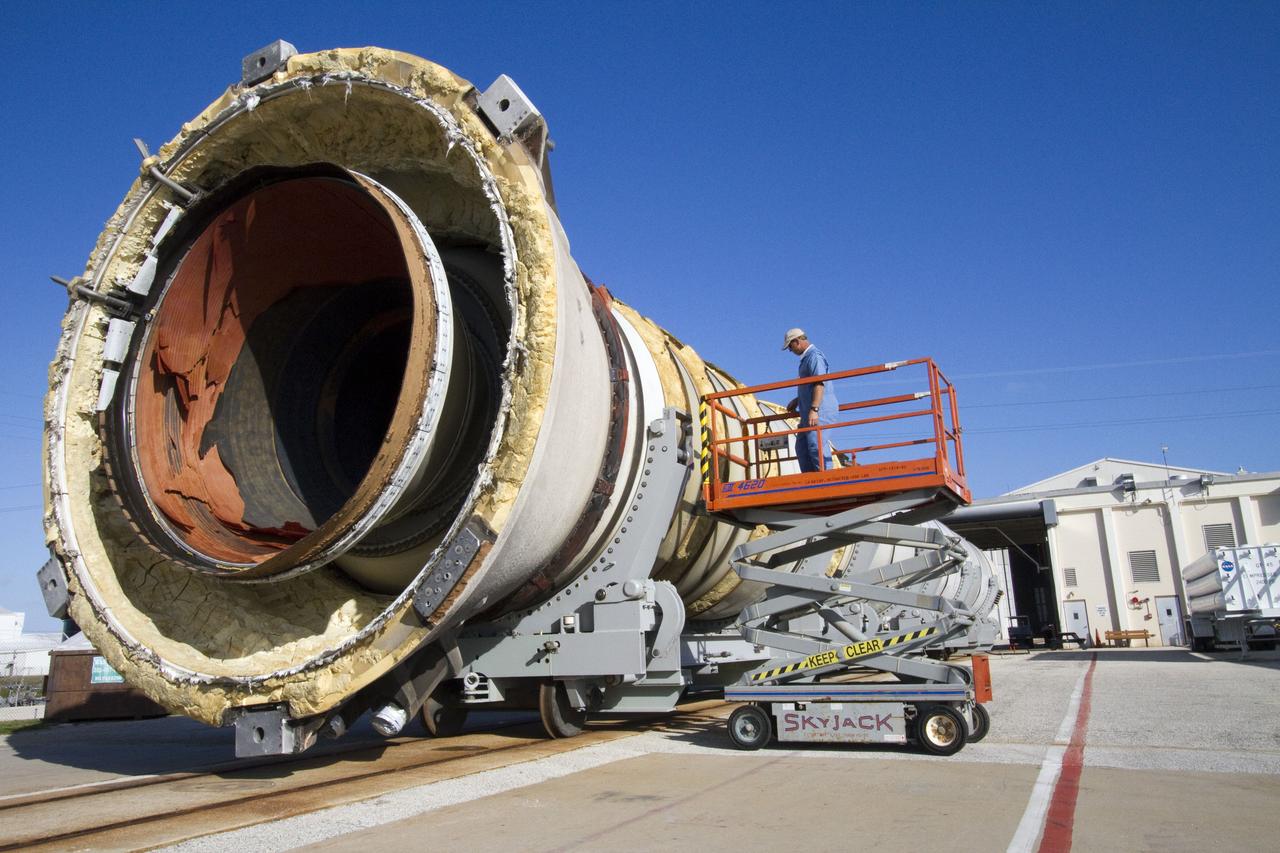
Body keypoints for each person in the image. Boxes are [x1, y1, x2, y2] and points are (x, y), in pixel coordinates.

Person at [782, 328, 839, 472]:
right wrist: (798, 399)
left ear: (797, 341)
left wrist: (814, 409)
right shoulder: (807, 359)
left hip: (820, 410)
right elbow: (811, 386)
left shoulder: (814, 357)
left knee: (816, 445)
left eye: (790, 346)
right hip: (809, 412)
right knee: (801, 447)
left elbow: (819, 383)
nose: (790, 350)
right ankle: (810, 481)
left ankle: (826, 480)